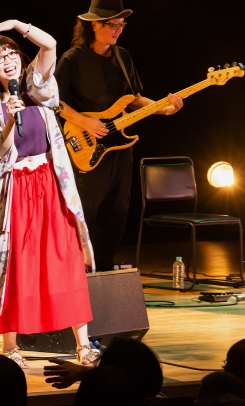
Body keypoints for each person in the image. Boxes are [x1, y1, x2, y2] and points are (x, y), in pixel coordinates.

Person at [0, 19, 98, 367]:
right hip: (14, 188)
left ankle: (83, 345)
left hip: (49, 183)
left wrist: (17, 25)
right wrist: (8, 123)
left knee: (66, 258)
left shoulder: (35, 84)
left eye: (11, 53)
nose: (8, 60)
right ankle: (10, 347)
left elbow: (50, 45)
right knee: (15, 263)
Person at [54, 0, 183, 271]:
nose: (118, 30)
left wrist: (164, 108)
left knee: (117, 211)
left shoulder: (122, 56)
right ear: (94, 25)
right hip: (86, 145)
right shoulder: (72, 59)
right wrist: (84, 121)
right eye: (113, 25)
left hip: (119, 147)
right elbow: (54, 102)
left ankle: (103, 272)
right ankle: (77, 271)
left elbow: (133, 99)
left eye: (122, 25)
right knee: (87, 209)